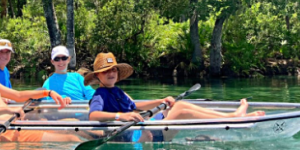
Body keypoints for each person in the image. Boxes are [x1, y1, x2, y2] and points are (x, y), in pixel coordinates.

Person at [85, 52, 265, 124]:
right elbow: (93, 115)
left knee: (179, 104)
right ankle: (232, 118)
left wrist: (161, 101)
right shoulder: (100, 94)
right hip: (144, 131)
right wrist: (120, 116)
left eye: (114, 70)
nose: (111, 73)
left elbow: (137, 105)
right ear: (98, 76)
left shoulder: (117, 91)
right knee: (179, 107)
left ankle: (231, 117)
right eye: (106, 71)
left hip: (149, 122)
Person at [0, 39, 80, 142]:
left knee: (71, 124)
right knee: (70, 139)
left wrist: (48, 92)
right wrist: (7, 109)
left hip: (17, 126)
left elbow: (18, 95)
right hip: (4, 134)